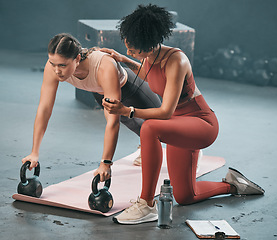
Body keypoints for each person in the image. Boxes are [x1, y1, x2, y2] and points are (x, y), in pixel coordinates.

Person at [101, 4, 265, 225]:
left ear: (148, 44)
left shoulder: (176, 61)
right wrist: (125, 60)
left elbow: (165, 112)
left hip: (201, 123)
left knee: (149, 127)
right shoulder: (150, 57)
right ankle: (233, 184)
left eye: (132, 50)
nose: (129, 51)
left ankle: (146, 204)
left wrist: (127, 111)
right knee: (186, 197)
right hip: (179, 125)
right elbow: (152, 77)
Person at [21, 33, 161, 182]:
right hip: (101, 93)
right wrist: (34, 152)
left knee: (163, 125)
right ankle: (145, 144)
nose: (56, 71)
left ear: (77, 59)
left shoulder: (103, 66)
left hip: (132, 88)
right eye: (53, 63)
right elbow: (44, 109)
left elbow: (112, 123)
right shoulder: (52, 68)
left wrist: (105, 163)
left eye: (62, 65)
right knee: (135, 125)